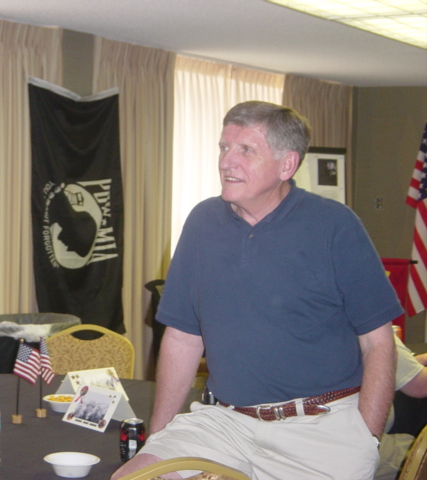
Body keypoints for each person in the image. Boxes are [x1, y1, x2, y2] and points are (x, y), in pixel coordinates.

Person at [112, 101, 402, 480]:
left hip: (321, 429)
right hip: (227, 422)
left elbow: (378, 343)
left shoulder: (336, 225)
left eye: (245, 150)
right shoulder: (202, 223)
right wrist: (161, 436)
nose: (226, 161)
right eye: (224, 147)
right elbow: (183, 338)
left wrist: (367, 438)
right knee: (135, 476)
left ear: (287, 165)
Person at [375, 334, 427, 480]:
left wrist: (414, 363)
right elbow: (420, 385)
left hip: (328, 433)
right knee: (422, 457)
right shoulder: (372, 327)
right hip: (359, 442)